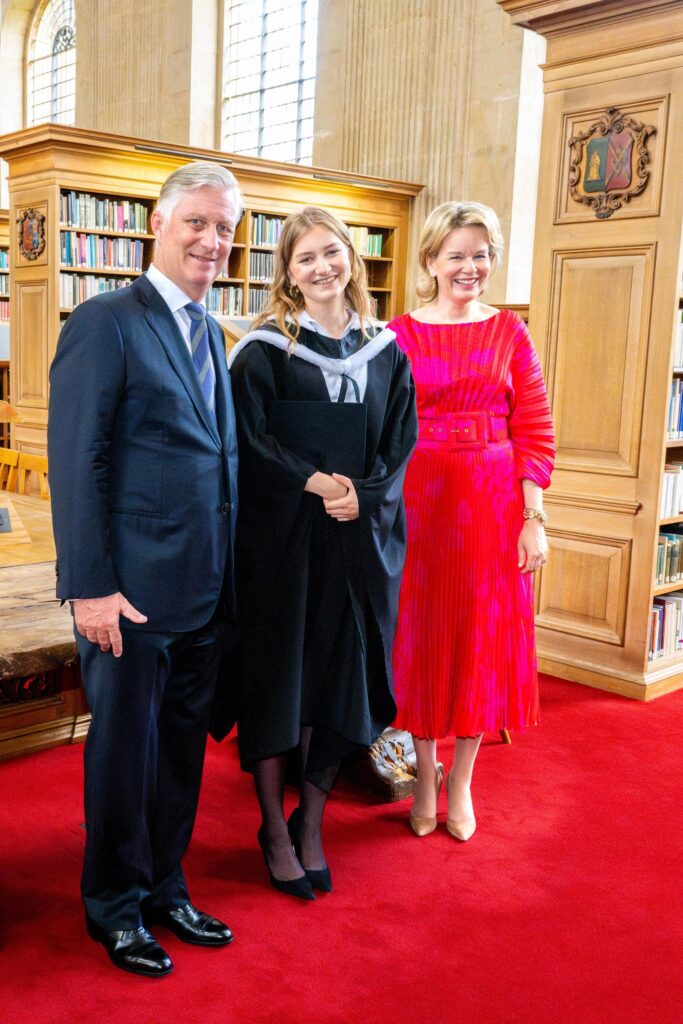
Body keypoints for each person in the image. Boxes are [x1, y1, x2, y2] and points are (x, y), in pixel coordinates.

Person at [47, 162, 241, 976]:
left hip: (203, 590)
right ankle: (114, 908)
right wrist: (89, 586)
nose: (210, 239)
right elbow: (75, 459)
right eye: (195, 221)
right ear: (158, 223)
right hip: (127, 595)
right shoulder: (107, 321)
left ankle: (165, 885)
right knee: (123, 757)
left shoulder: (211, 330)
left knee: (181, 754)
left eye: (224, 228)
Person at [227, 206, 417, 899]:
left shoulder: (385, 348)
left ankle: (310, 820)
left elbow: (399, 444)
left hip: (352, 543)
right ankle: (271, 829)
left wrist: (361, 497)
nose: (321, 267)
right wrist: (310, 481)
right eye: (305, 258)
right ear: (287, 270)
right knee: (281, 682)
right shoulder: (264, 348)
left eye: (331, 253)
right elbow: (245, 439)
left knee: (335, 681)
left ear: (351, 259)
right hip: (282, 546)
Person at [389, 200, 555, 841]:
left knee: (482, 639)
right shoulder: (397, 334)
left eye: (481, 254)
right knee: (421, 638)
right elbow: (381, 427)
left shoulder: (511, 333)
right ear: (430, 261)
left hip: (492, 506)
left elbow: (535, 430)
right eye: (456, 255)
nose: (470, 267)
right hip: (418, 502)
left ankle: (460, 781)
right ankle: (423, 777)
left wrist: (533, 517)